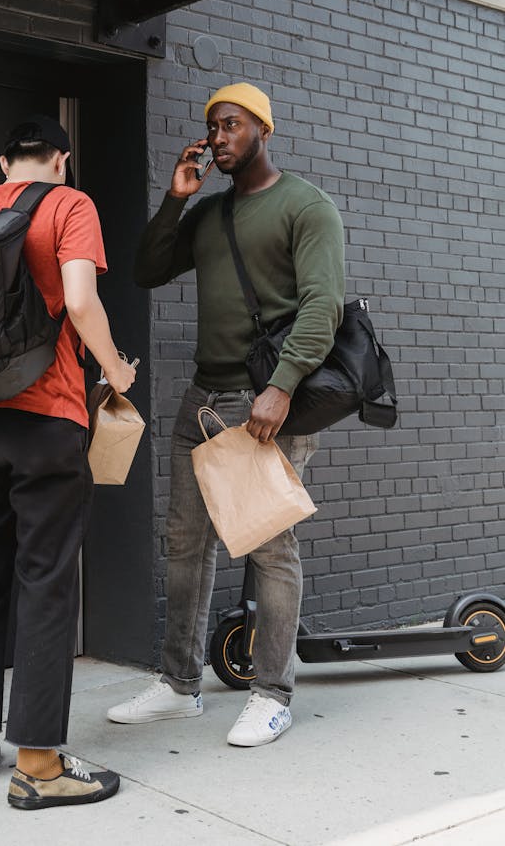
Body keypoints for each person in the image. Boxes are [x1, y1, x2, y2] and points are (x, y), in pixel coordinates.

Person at [107, 83, 344, 747]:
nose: (218, 137)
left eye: (232, 124)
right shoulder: (208, 214)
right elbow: (147, 267)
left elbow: (324, 307)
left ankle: (271, 692)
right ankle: (180, 687)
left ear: (263, 129)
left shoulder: (306, 206)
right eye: (212, 127)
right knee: (185, 545)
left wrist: (283, 385)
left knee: (270, 547)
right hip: (202, 400)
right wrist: (177, 196)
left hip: (264, 402)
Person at [0, 113, 136, 807]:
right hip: (46, 415)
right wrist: (114, 368)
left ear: (3, 162)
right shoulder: (70, 204)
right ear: (62, 158)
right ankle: (40, 765)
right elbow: (79, 299)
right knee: (46, 581)